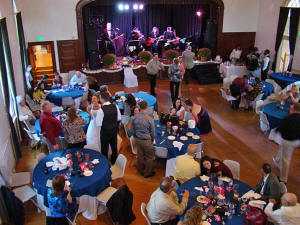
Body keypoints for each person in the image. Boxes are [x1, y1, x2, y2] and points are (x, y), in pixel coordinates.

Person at [273, 103, 300, 183]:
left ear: (293, 109)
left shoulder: (288, 118)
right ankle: (277, 161)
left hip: (288, 141)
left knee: (286, 160)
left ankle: (283, 179)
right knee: (282, 149)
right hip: (297, 141)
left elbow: (281, 129)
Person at [130, 101, 155, 178]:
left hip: (138, 139)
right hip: (147, 140)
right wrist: (152, 139)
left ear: (139, 107)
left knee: (140, 155)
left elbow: (132, 130)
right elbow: (152, 132)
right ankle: (147, 173)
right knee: (149, 157)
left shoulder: (135, 117)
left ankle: (140, 170)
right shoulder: (149, 119)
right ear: (147, 107)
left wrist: (135, 136)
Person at [100, 92, 121, 164]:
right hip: (113, 130)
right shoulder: (115, 106)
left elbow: (99, 122)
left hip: (105, 131)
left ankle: (105, 163)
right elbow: (119, 118)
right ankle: (114, 161)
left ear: (102, 99)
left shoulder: (101, 109)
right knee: (114, 146)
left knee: (104, 148)